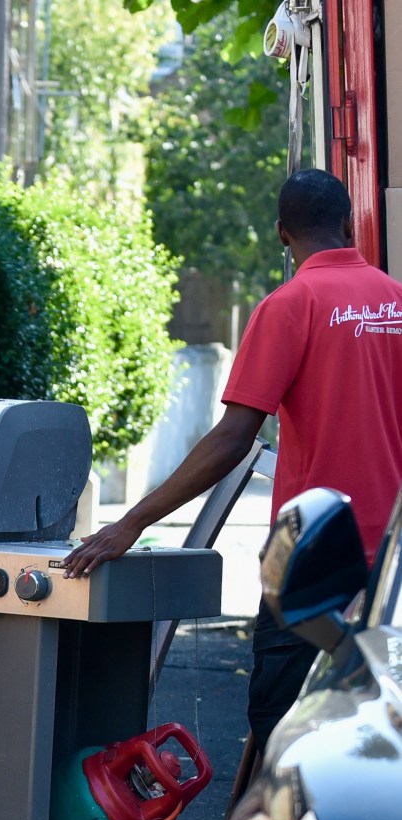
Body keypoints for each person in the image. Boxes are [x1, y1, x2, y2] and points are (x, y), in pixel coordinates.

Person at [62, 168, 402, 757]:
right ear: (347, 224)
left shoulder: (290, 305)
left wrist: (131, 523)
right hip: (393, 562)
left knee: (283, 728)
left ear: (280, 234)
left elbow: (232, 439)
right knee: (381, 730)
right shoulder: (394, 300)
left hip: (313, 558)